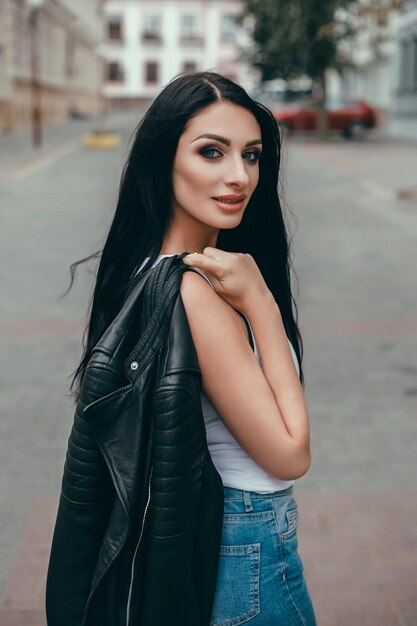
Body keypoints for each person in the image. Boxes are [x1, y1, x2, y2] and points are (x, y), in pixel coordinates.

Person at [46, 71, 316, 626]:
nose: (238, 176)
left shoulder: (145, 271)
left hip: (221, 538)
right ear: (163, 160)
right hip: (249, 541)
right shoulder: (196, 292)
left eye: (252, 155)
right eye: (211, 152)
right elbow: (290, 454)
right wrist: (261, 303)